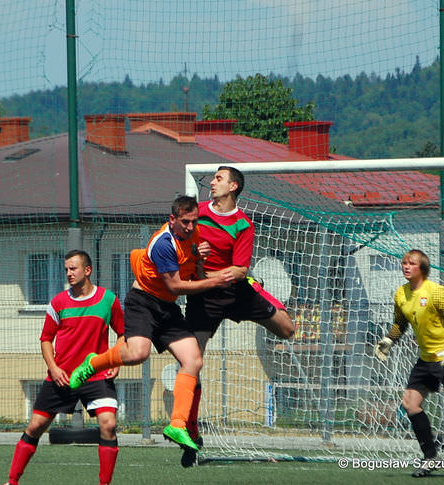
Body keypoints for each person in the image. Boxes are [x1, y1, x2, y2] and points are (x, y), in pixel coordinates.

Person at [69, 196, 235, 454]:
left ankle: (177, 424)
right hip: (143, 301)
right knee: (137, 354)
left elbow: (193, 273)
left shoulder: (194, 234)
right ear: (172, 219)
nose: (191, 227)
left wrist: (200, 260)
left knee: (193, 360)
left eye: (193, 221)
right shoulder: (163, 244)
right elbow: (177, 286)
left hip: (167, 307)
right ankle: (93, 363)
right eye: (185, 222)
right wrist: (215, 282)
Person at [182, 165, 295, 466]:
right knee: (192, 362)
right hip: (204, 297)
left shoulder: (243, 224)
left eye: (219, 178)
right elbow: (178, 239)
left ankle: (262, 290)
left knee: (288, 330)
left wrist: (214, 274)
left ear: (233, 187)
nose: (213, 182)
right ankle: (191, 434)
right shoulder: (197, 212)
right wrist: (194, 254)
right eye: (214, 178)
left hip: (237, 291)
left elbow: (240, 269)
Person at [4, 250, 125, 485]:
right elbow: (46, 339)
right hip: (62, 377)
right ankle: (12, 481)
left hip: (96, 375)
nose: (69, 273)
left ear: (87, 271)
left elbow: (123, 334)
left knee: (108, 425)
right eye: (67, 269)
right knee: (35, 426)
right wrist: (54, 367)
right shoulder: (58, 302)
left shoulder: (109, 299)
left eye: (73, 268)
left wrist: (115, 361)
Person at [374, 249, 444, 477]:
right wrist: (388, 340)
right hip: (425, 359)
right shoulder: (401, 294)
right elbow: (400, 323)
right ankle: (431, 457)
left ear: (422, 268)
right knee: (410, 404)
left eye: (411, 263)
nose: (406, 266)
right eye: (404, 262)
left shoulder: (435, 292)